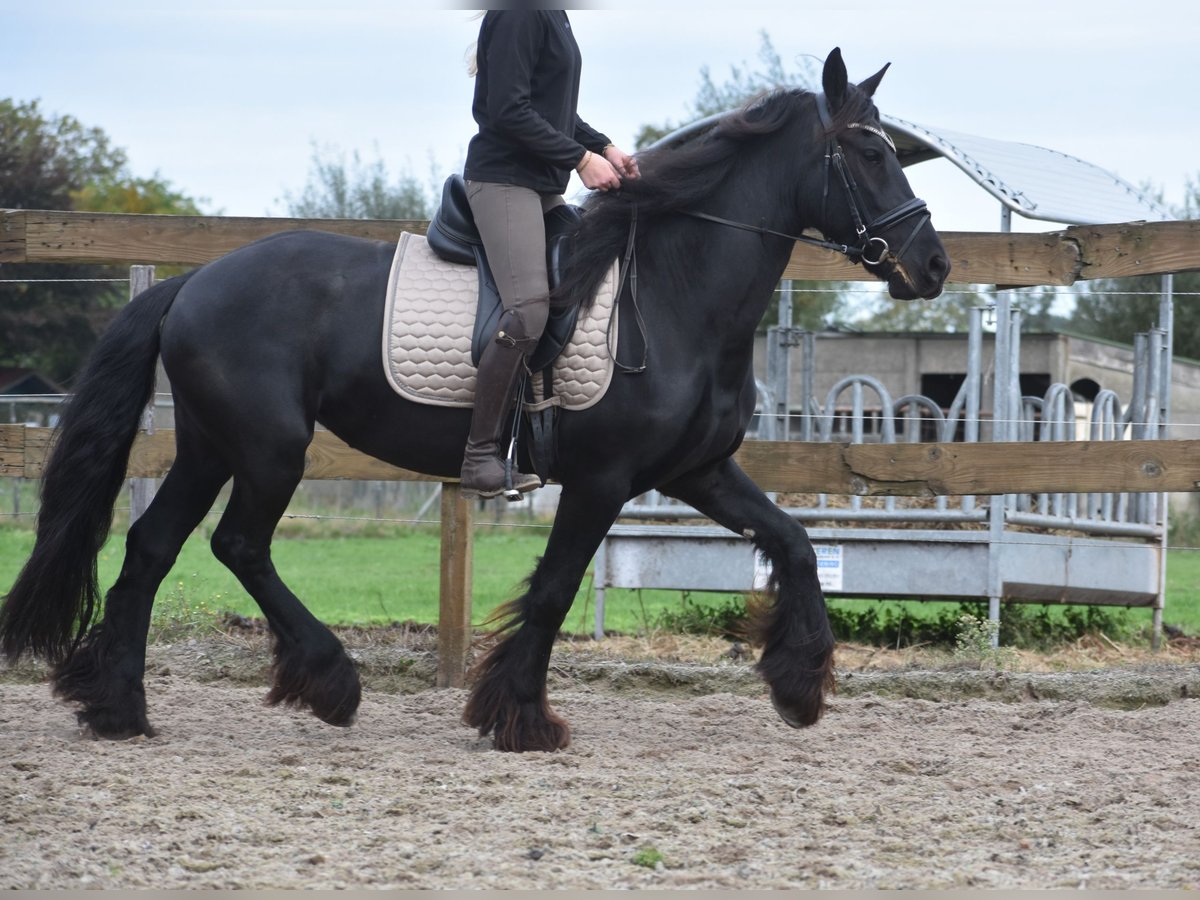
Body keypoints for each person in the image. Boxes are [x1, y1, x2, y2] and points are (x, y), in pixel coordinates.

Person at [460, 9, 639, 499]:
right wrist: (581, 161)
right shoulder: (520, 13)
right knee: (528, 310)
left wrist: (605, 146)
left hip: (538, 184)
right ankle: (479, 457)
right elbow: (507, 110)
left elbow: (552, 109)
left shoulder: (553, 14)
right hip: (503, 180)